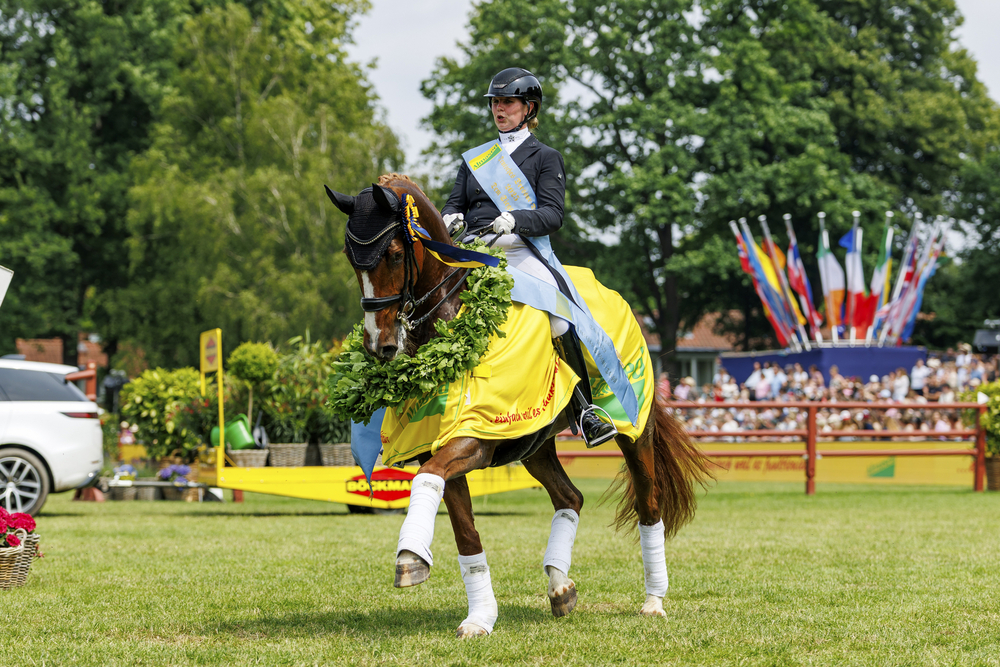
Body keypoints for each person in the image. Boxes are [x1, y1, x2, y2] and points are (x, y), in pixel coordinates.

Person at [440, 67, 615, 447]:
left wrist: (515, 220)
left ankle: (585, 411)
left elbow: (554, 215)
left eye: (507, 102)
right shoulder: (476, 158)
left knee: (558, 318)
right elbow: (456, 202)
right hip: (473, 251)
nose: (499, 109)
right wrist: (449, 216)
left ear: (528, 107)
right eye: (495, 103)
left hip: (521, 251)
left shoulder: (546, 157)